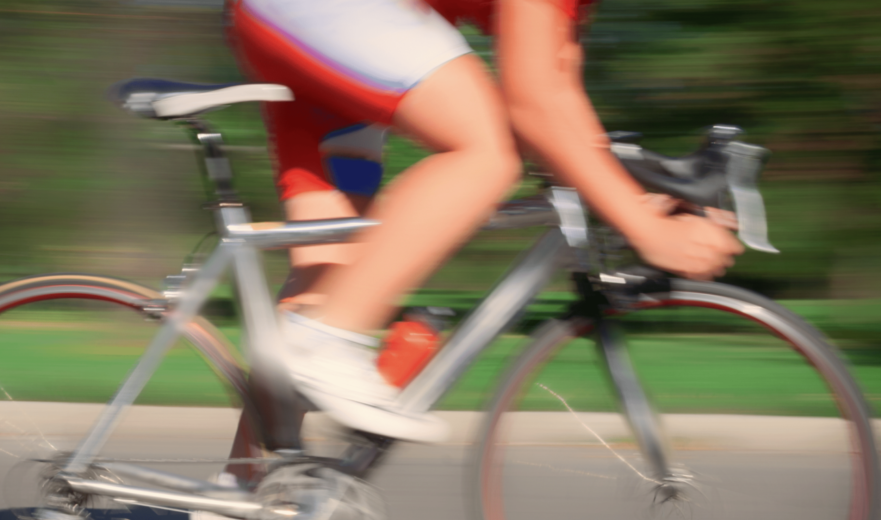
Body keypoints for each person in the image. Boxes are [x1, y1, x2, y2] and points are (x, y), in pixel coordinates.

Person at [224, 0, 743, 443]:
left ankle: (248, 513)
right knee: (487, 153)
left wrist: (634, 203)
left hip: (299, 30)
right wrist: (646, 229)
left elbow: (561, 99)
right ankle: (325, 341)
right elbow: (534, 105)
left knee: (328, 289)